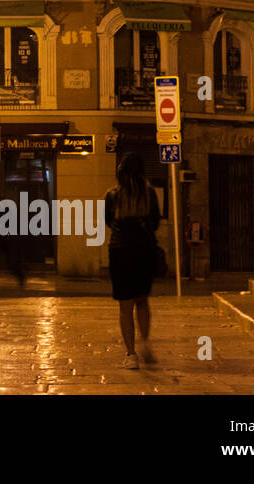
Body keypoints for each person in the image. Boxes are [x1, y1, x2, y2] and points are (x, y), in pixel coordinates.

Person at [104, 153, 161, 370]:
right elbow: (155, 223)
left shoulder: (112, 196)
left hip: (120, 252)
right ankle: (145, 344)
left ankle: (131, 354)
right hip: (144, 252)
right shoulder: (150, 194)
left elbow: (109, 222)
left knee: (124, 306)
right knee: (142, 301)